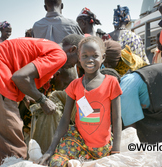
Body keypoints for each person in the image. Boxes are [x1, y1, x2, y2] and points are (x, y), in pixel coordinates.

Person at [0, 34, 83, 167]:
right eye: (78, 60)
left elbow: (18, 68)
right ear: (72, 49)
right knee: (12, 149)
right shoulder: (59, 54)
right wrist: (42, 100)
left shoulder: (45, 45)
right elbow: (20, 77)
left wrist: (26, 94)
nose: (75, 65)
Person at [37, 36, 122, 166]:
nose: (90, 60)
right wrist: (50, 150)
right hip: (78, 141)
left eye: (95, 55)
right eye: (85, 56)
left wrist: (116, 151)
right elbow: (65, 119)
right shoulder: (75, 85)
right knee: (56, 162)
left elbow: (116, 118)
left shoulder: (111, 82)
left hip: (101, 147)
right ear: (79, 58)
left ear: (103, 57)